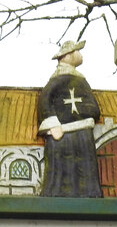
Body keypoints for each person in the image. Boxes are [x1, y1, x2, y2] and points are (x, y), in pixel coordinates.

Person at [37, 40, 102, 197]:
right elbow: (45, 101)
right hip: (62, 132)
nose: (80, 55)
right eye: (77, 52)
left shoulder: (80, 79)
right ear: (68, 56)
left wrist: (91, 112)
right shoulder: (56, 81)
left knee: (85, 166)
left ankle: (89, 194)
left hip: (83, 132)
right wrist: (53, 125)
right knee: (61, 168)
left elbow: (91, 104)